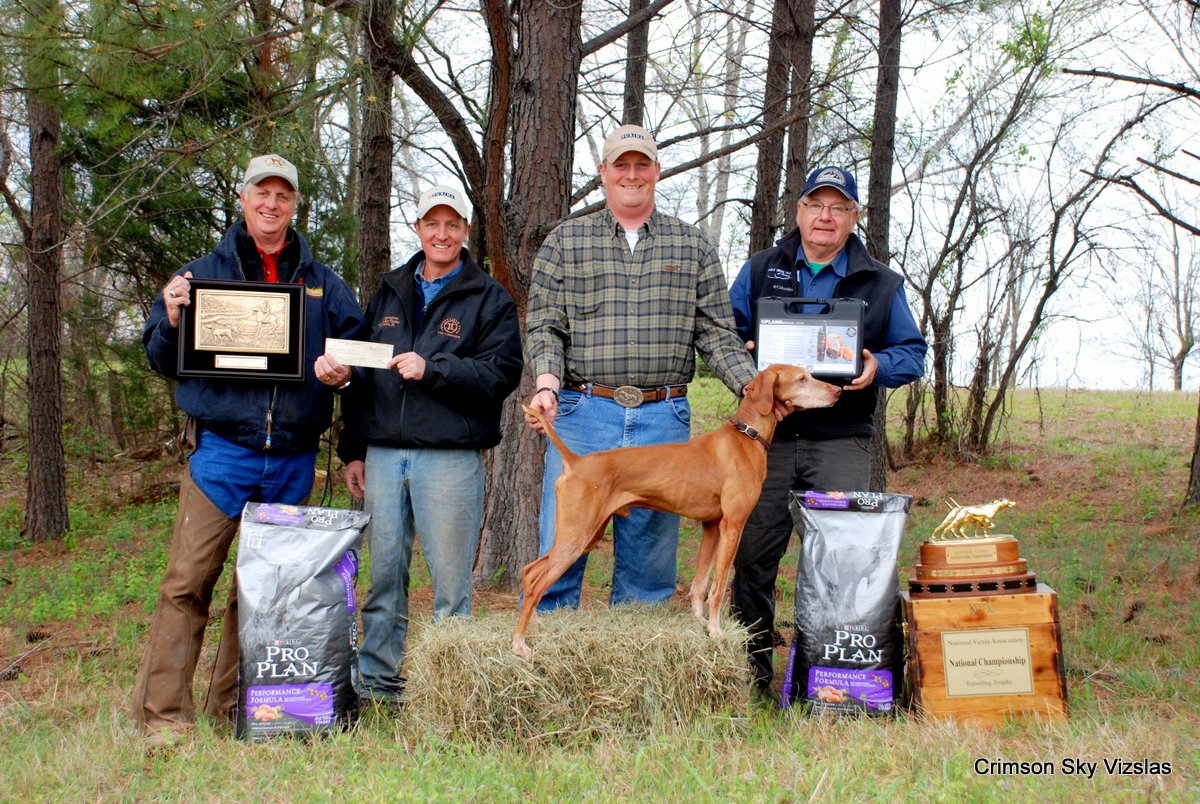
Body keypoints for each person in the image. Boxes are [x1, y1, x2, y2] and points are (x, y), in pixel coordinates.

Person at [133, 153, 368, 742]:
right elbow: (161, 358)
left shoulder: (321, 283)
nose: (271, 204)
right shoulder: (201, 275)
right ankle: (163, 717)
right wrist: (168, 318)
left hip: (291, 458)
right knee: (187, 584)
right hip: (222, 454)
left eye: (282, 196)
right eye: (261, 193)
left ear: (294, 205)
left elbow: (359, 352)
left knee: (263, 598)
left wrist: (345, 373)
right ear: (242, 200)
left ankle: (236, 712)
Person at [524, 124, 757, 612]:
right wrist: (547, 384)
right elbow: (545, 325)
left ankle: (631, 678)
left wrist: (755, 390)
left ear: (657, 170)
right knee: (564, 553)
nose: (632, 174)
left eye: (642, 165)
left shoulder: (692, 246)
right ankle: (546, 666)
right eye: (622, 165)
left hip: (661, 419)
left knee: (649, 571)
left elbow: (717, 334)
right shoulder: (565, 241)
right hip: (583, 412)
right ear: (604, 172)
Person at [727, 165, 928, 692]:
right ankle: (751, 677)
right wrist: (746, 358)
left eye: (838, 207)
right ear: (798, 211)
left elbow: (913, 353)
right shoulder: (760, 268)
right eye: (816, 204)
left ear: (854, 217)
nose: (825, 216)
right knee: (752, 556)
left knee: (843, 561)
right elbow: (724, 335)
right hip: (764, 445)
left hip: (842, 439)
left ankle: (833, 683)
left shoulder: (881, 282)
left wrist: (876, 367)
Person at [332, 185, 522, 706]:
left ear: (465, 230)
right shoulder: (390, 290)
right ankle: (378, 687)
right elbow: (364, 372)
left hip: (450, 458)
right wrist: (353, 447)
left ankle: (450, 692)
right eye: (431, 224)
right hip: (385, 456)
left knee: (451, 587)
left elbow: (502, 372)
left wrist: (433, 368)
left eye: (452, 224)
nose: (441, 234)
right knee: (384, 577)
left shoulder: (490, 298)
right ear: (417, 228)